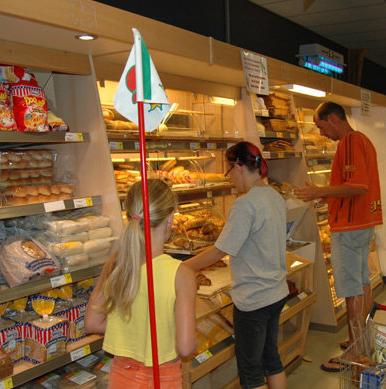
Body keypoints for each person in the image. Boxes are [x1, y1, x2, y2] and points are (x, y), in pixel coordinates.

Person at [184, 141, 288, 389]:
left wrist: (185, 267)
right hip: (276, 291)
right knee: (271, 358)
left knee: (251, 372)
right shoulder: (274, 196)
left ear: (239, 167)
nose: (230, 178)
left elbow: (220, 250)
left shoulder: (245, 204)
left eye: (229, 171)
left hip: (254, 299)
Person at [293, 102, 382, 371]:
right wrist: (328, 195)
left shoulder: (349, 142)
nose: (321, 133)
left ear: (333, 119)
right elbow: (356, 186)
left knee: (352, 289)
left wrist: (320, 191)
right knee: (362, 283)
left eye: (321, 126)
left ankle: (356, 352)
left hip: (350, 227)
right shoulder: (362, 140)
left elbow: (357, 186)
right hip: (362, 223)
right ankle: (361, 340)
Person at [84, 179, 197, 389]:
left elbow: (92, 323)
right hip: (163, 378)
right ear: (170, 218)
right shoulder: (182, 274)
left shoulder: (117, 263)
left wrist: (130, 329)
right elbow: (186, 347)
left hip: (120, 376)